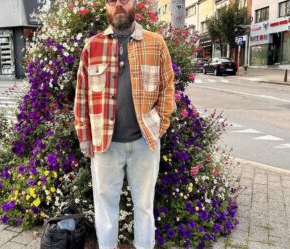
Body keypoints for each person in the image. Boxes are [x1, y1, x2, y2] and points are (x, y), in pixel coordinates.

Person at [73, 0, 175, 248]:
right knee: (105, 209)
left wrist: (158, 127)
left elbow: (167, 86)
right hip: (105, 145)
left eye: (124, 0)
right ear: (106, 7)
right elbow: (82, 94)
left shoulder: (155, 43)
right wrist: (85, 136)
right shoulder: (93, 45)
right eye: (111, 1)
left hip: (144, 141)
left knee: (144, 207)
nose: (118, 5)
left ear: (134, 4)